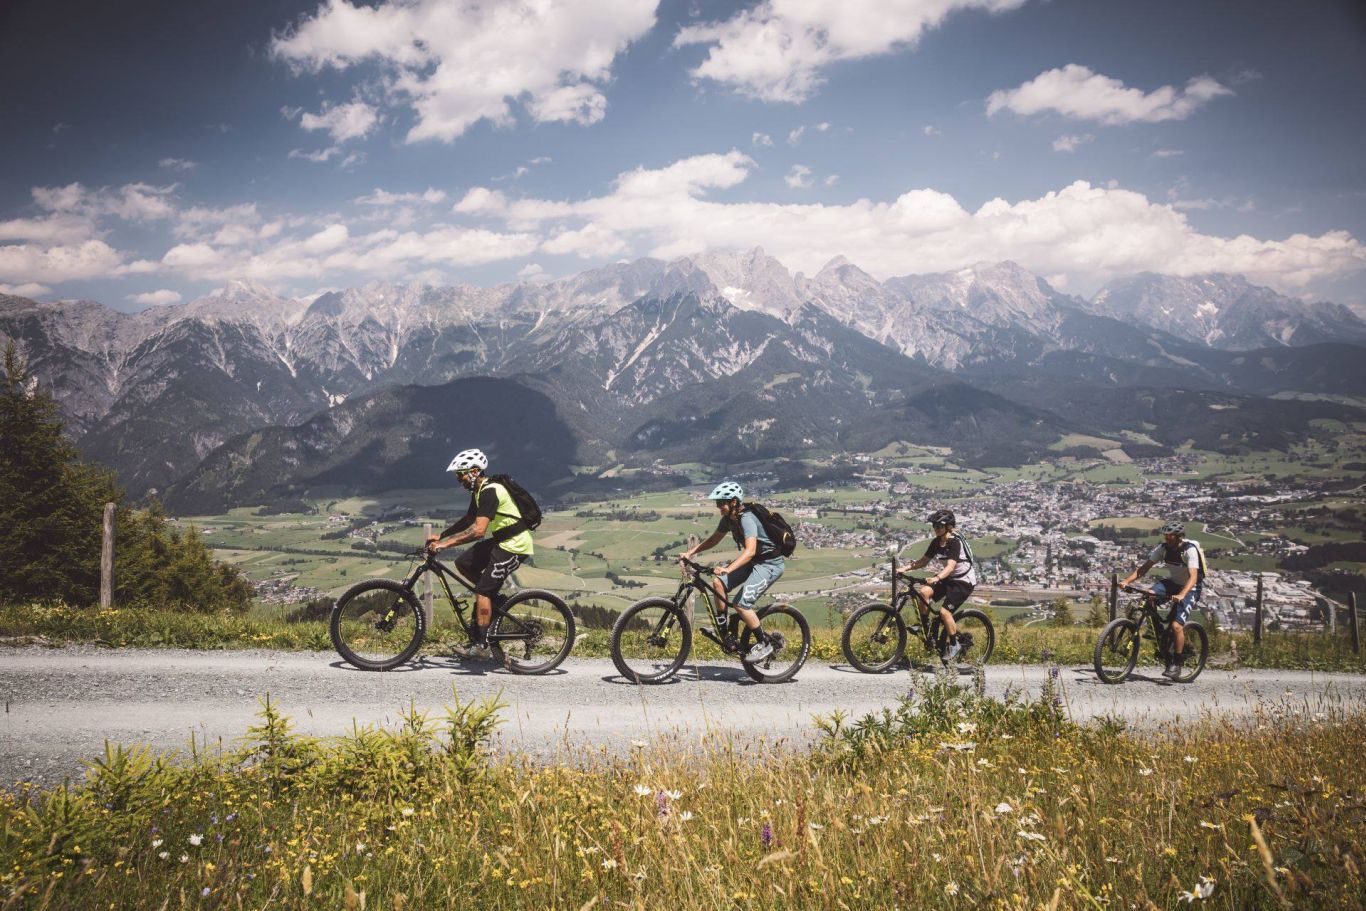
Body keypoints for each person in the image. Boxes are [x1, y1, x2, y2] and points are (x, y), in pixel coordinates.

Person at [425, 448, 534, 659]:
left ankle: (482, 646)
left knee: (482, 591)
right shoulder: (479, 490)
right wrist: (442, 535)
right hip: (502, 542)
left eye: (460, 474)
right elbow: (469, 519)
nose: (459, 480)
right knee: (464, 563)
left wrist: (444, 545)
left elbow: (478, 531)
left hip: (515, 546)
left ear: (474, 471)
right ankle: (492, 598)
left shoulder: (490, 491)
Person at [680, 481, 781, 662]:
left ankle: (765, 644)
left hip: (769, 564)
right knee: (718, 582)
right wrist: (690, 553)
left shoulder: (747, 519)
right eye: (717, 503)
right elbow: (713, 540)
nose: (718, 506)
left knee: (740, 604)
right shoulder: (728, 519)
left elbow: (750, 551)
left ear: (734, 502)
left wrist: (728, 569)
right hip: (754, 562)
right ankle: (724, 632)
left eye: (721, 503)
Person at [1119, 521, 1205, 679]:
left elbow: (1193, 577)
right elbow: (1144, 568)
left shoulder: (1189, 550)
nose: (1167, 538)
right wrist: (1126, 581)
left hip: (1191, 588)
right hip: (1173, 583)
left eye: (1170, 536)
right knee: (1149, 595)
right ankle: (1158, 633)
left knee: (1176, 626)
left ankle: (1177, 663)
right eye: (1166, 535)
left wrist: (1182, 595)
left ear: (1179, 536)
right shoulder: (1163, 549)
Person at [902, 509, 977, 661]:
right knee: (924, 592)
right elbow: (923, 561)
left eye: (939, 526)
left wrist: (936, 578)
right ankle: (924, 628)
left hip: (963, 581)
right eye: (934, 526)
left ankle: (955, 644)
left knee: (944, 613)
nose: (936, 529)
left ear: (948, 527)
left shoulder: (954, 542)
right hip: (949, 578)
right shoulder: (937, 542)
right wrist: (903, 569)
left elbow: (950, 566)